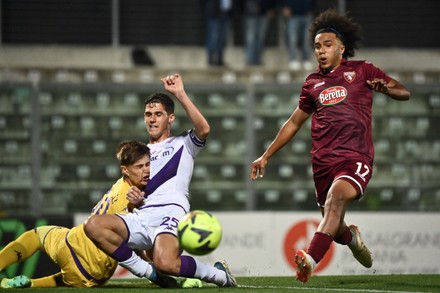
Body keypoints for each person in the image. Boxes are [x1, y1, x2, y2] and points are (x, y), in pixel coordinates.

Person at [250, 8, 410, 284]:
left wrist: (385, 89)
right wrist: (265, 156)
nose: (321, 51)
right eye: (317, 46)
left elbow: (404, 92)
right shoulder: (312, 83)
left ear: (341, 48)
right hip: (322, 163)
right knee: (333, 223)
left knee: (336, 200)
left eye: (327, 45)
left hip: (355, 157)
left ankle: (309, 261)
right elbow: (293, 123)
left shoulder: (362, 70)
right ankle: (352, 239)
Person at [84, 73, 237, 287]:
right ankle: (149, 272)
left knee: (165, 262)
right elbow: (134, 194)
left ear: (170, 118)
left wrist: (180, 94)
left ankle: (219, 275)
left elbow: (204, 129)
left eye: (158, 114)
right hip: (142, 214)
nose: (152, 119)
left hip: (171, 212)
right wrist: (135, 200)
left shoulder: (183, 143)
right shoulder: (138, 155)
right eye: (148, 114)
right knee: (93, 225)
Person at [0, 140, 152, 288]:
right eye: (139, 166)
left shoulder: (121, 183)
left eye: (147, 164)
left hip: (68, 244)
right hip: (91, 270)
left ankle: (27, 281)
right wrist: (150, 267)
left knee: (37, 235)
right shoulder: (132, 197)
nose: (146, 170)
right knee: (71, 279)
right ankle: (33, 284)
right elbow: (133, 239)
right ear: (125, 170)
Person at [281, 0, 315, 71]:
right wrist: (284, 7)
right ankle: (293, 59)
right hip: (293, 15)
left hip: (306, 14)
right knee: (293, 39)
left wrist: (311, 9)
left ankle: (306, 59)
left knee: (306, 39)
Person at [242, 0, 277, 66]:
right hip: (250, 12)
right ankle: (249, 59)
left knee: (261, 38)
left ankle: (258, 59)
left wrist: (271, 8)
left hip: (264, 12)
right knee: (250, 37)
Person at [201, 0, 232, 66]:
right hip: (214, 13)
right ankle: (211, 59)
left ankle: (219, 59)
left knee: (222, 38)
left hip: (225, 13)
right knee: (213, 37)